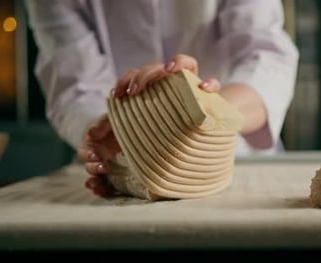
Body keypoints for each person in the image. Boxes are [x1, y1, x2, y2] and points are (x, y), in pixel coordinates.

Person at [25, 0, 299, 197]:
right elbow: (74, 83)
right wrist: (113, 132)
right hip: (122, 161)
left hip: (237, 159)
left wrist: (203, 109)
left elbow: (265, 60)